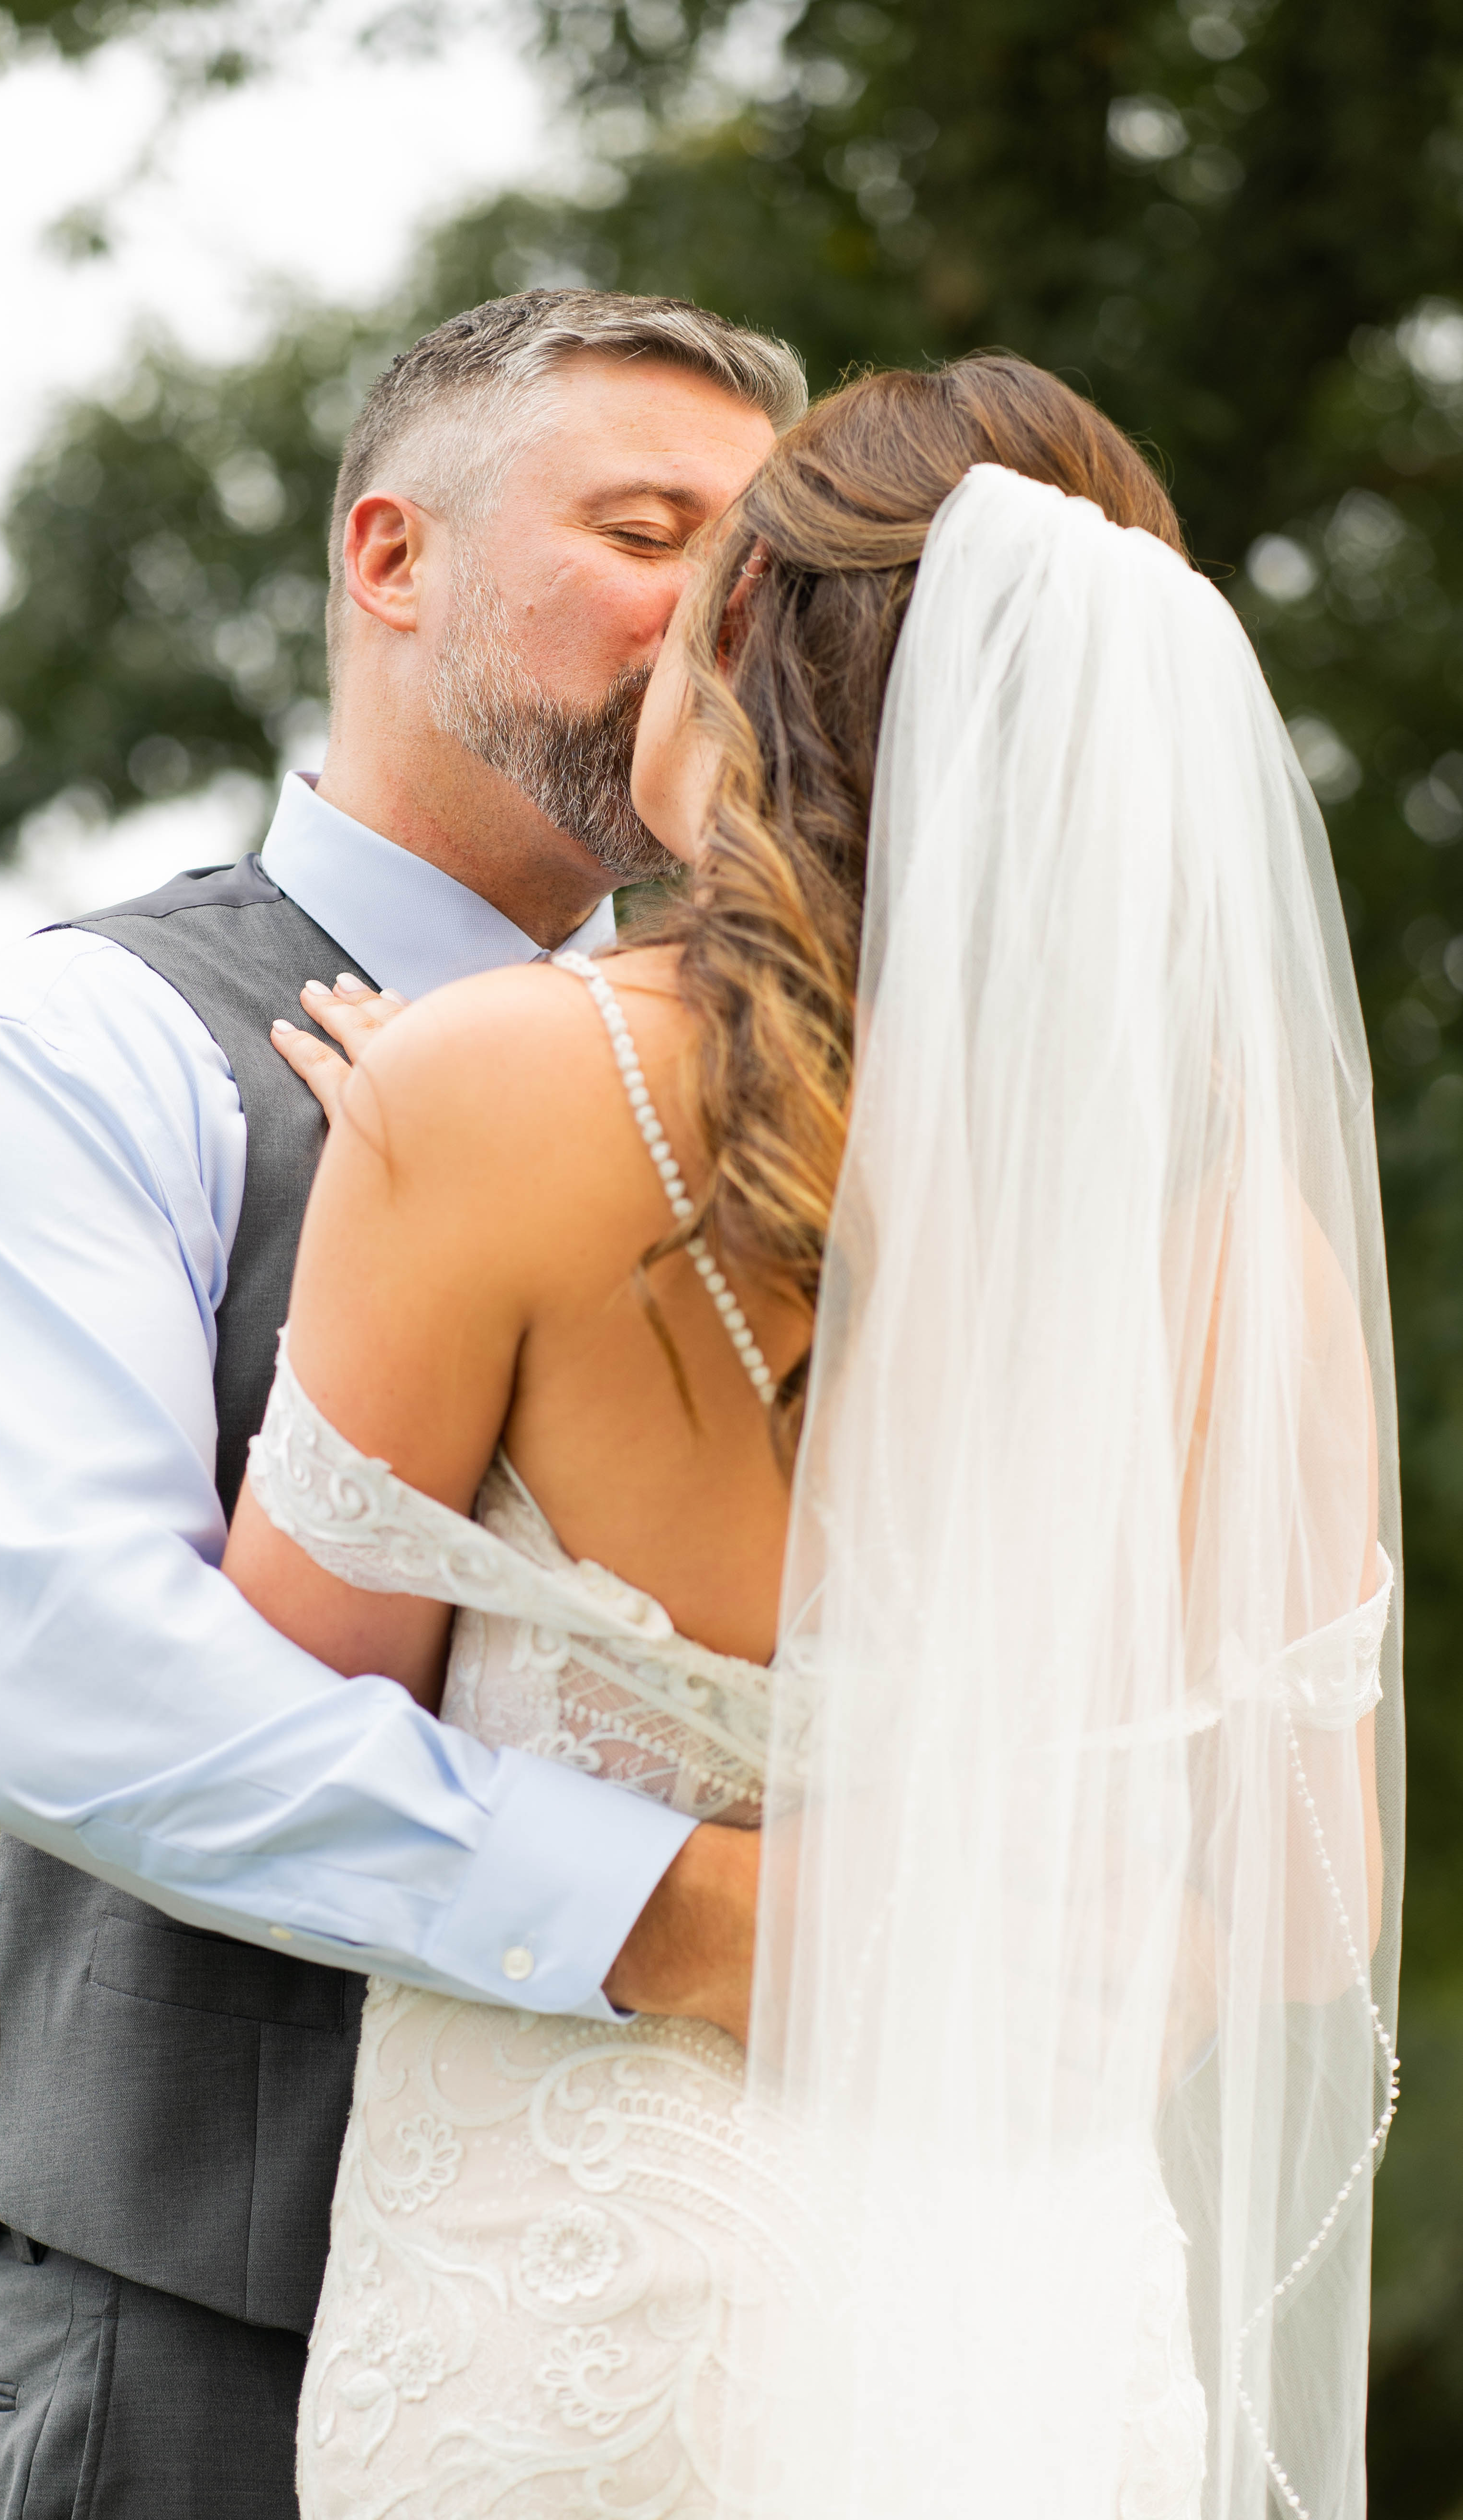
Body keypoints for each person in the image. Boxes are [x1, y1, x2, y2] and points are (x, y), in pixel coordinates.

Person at [235, 355, 1404, 2518]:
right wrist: (999, 1992)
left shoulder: (489, 1096)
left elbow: (278, 1734)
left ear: (754, 611)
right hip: (1032, 2317)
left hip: (591, 2314)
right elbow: (1310, 1894)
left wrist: (415, 1141)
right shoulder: (1252, 1249)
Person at [0, 289, 804, 2520]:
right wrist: (689, 1911)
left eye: (761, 572)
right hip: (208, 2352)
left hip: (712, 2332)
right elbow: (70, 1682)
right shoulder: (82, 1047)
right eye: (648, 529)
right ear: (394, 560)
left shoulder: (786, 1116)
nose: (715, 628)